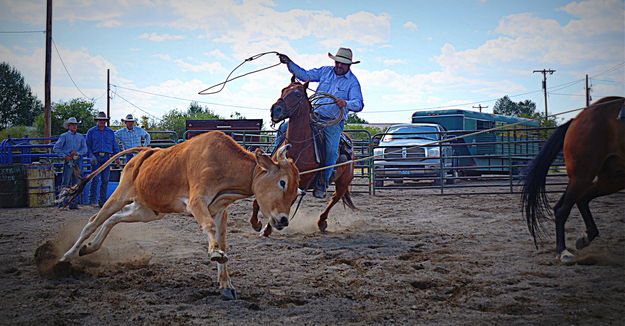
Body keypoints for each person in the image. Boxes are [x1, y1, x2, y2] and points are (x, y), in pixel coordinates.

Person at [277, 47, 364, 198]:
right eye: (337, 62)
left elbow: (359, 104)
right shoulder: (325, 71)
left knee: (331, 151)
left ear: (349, 65)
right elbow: (305, 75)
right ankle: (272, 161)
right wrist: (289, 63)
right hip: (314, 116)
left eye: (342, 64)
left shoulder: (352, 82)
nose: (338, 66)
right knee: (284, 128)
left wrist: (346, 103)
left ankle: (322, 183)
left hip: (332, 123)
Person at [86, 111, 120, 207]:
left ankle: (102, 201)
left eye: (103, 120)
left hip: (106, 157)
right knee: (95, 179)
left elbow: (114, 145)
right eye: (100, 120)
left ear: (105, 121)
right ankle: (92, 200)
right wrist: (91, 156)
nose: (102, 121)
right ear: (97, 121)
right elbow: (87, 146)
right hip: (95, 157)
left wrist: (117, 157)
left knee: (105, 180)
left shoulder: (110, 132)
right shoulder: (91, 132)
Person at [52, 117, 88, 209]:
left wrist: (77, 153)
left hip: (77, 161)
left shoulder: (80, 137)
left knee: (76, 183)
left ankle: (73, 204)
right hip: (69, 161)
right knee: (66, 182)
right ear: (68, 126)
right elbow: (56, 148)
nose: (74, 126)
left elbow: (85, 149)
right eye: (72, 124)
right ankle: (62, 203)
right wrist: (65, 156)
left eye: (75, 124)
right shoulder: (64, 136)